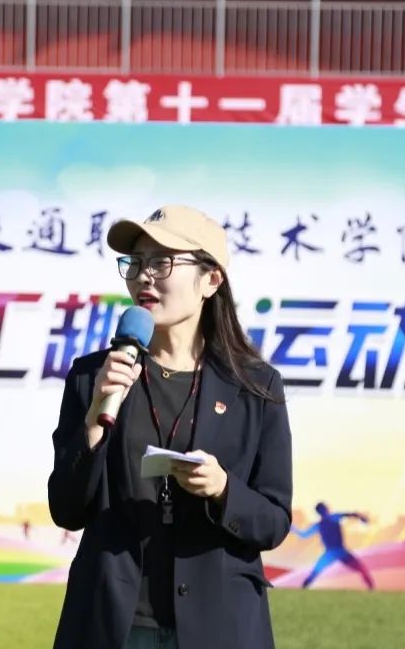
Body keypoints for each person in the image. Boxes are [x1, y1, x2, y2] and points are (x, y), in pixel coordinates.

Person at [48, 205, 292, 649]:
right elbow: (66, 509)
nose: (144, 276)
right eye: (136, 263)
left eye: (162, 262)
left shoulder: (255, 387)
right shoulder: (94, 376)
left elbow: (273, 521)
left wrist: (223, 489)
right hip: (112, 624)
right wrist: (96, 415)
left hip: (219, 627)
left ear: (211, 280)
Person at [291, 502, 374, 590]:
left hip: (336, 552)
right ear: (323, 511)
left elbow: (304, 535)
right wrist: (293, 528)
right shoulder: (327, 521)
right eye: (324, 510)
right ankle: (303, 589)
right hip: (334, 553)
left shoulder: (328, 520)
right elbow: (304, 535)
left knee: (361, 568)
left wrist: (361, 517)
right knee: (315, 573)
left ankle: (371, 589)